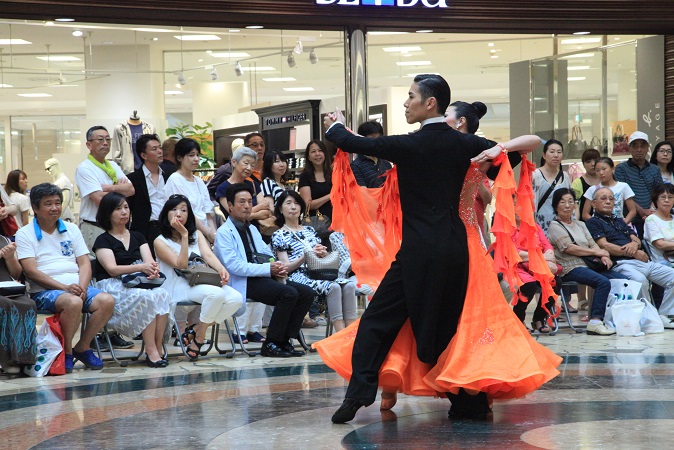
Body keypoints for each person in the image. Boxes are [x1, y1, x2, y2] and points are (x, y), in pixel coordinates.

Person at [321, 74, 556, 423]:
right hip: (457, 250)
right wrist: (500, 148)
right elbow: (533, 142)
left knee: (377, 321)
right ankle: (466, 404)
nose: (405, 103)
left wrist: (336, 124)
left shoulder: (408, 145)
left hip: (417, 251)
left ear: (430, 103)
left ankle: (359, 392)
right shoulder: (467, 145)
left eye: (411, 96)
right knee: (451, 328)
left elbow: (351, 142)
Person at [16, 183, 115, 373]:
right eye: (48, 204)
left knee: (106, 300)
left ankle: (83, 347)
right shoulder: (24, 233)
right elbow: (30, 271)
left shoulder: (71, 229)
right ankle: (66, 352)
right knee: (73, 302)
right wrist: (64, 287)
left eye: (58, 203)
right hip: (44, 292)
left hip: (76, 288)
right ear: (35, 208)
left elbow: (84, 263)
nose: (55, 208)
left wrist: (82, 286)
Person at [213, 183, 314, 358]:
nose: (246, 206)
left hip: (263, 276)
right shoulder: (224, 232)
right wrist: (268, 268)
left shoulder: (252, 228)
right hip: (243, 280)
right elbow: (234, 266)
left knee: (306, 292)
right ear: (229, 206)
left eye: (249, 202)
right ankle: (271, 343)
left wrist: (277, 266)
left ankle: (284, 340)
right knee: (288, 293)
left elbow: (266, 253)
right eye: (241, 202)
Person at [154, 194, 243, 360]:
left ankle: (196, 330)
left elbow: (208, 255)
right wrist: (184, 235)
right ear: (166, 213)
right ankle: (200, 338)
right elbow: (180, 264)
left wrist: (221, 269)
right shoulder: (160, 241)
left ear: (189, 215)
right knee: (216, 294)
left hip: (201, 280)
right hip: (178, 285)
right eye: (173, 209)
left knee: (236, 299)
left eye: (183, 210)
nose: (178, 213)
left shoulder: (197, 235)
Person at [92, 192, 171, 367]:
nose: (124, 212)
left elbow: (149, 261)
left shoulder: (138, 236)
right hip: (112, 285)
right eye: (118, 209)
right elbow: (112, 270)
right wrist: (140, 267)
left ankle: (157, 346)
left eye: (126, 207)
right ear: (107, 213)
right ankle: (151, 349)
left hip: (138, 281)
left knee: (163, 293)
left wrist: (152, 270)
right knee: (147, 297)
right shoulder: (102, 240)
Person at [585, 187, 674, 329]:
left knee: (672, 276)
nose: (608, 201)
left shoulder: (619, 220)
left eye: (611, 198)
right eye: (603, 198)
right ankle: (648, 319)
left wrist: (634, 244)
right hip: (621, 264)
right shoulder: (592, 222)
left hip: (641, 261)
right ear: (594, 204)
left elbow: (636, 239)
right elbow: (605, 245)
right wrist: (633, 252)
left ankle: (664, 315)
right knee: (640, 281)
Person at [271, 190, 357, 332]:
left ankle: (352, 331)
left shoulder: (309, 230)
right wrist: (307, 255)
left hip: (318, 272)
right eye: (289, 203)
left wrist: (323, 253)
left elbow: (320, 257)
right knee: (334, 287)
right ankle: (340, 333)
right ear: (280, 209)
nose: (293, 207)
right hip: (297, 275)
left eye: (297, 203)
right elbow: (285, 268)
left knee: (348, 285)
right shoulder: (279, 234)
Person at [548, 188, 623, 335]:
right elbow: (569, 248)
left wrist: (604, 256)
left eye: (571, 201)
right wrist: (597, 252)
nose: (567, 205)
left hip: (588, 265)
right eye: (563, 202)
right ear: (556, 206)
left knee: (622, 279)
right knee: (602, 282)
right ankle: (595, 321)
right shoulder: (554, 226)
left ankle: (616, 319)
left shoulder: (581, 224)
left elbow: (592, 243)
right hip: (568, 268)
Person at [75, 125, 135, 253]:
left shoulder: (113, 165)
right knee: (97, 267)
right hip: (94, 226)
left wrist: (109, 188)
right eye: (100, 140)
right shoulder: (85, 168)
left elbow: (131, 190)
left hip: (115, 227)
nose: (105, 143)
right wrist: (120, 188)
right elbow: (99, 199)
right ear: (89, 144)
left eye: (108, 139)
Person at [511, 213, 561, 333]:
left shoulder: (534, 226)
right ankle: (519, 319)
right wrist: (540, 257)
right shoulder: (508, 228)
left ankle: (539, 318)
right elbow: (514, 252)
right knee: (529, 285)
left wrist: (548, 255)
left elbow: (547, 245)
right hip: (516, 265)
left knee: (555, 282)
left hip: (537, 264)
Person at [164, 138, 217, 244]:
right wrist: (207, 232)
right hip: (188, 233)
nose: (196, 159)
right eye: (191, 155)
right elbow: (185, 212)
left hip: (206, 233)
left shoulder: (199, 181)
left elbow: (208, 211)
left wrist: (214, 234)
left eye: (197, 155)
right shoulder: (175, 180)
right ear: (179, 157)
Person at [614, 131, 662, 238]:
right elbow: (623, 193)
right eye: (635, 146)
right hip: (629, 219)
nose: (639, 149)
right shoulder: (621, 169)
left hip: (653, 218)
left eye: (643, 146)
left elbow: (659, 192)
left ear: (648, 148)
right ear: (629, 148)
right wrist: (641, 211)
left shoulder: (655, 169)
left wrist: (651, 211)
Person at [127, 133, 169, 255]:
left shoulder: (169, 175)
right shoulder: (133, 179)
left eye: (160, 148)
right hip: (144, 230)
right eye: (154, 149)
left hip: (167, 227)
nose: (160, 151)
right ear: (144, 155)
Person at [0, 236, 36, 375]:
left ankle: (25, 358)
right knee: (5, 304)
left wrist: (9, 258)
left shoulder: (4, 240)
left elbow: (16, 273)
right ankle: (7, 359)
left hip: (6, 288)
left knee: (28, 303)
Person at [215, 147, 271, 223]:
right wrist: (258, 209)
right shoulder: (223, 188)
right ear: (234, 162)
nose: (249, 168)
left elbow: (266, 212)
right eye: (246, 163)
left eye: (252, 165)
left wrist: (248, 215)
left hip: (255, 231)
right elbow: (234, 215)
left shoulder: (253, 185)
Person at [582, 157, 637, 225]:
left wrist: (623, 225)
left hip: (618, 226)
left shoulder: (623, 186)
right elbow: (585, 214)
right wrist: (597, 224)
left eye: (604, 169)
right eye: (597, 170)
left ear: (612, 169)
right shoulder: (592, 189)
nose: (601, 173)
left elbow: (632, 211)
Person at [533, 139, 572, 234]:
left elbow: (571, 200)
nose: (556, 155)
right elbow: (530, 202)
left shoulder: (565, 176)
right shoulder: (535, 175)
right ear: (544, 155)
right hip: (540, 224)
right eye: (552, 152)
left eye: (559, 152)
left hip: (562, 224)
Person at [350, 121, 392, 188]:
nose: (375, 143)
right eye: (371, 139)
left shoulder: (386, 163)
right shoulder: (356, 166)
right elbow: (363, 193)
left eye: (378, 139)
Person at [299, 139, 333, 220]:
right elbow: (307, 205)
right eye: (313, 151)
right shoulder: (305, 176)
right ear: (309, 157)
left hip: (335, 220)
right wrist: (331, 196)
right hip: (316, 223)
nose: (317, 154)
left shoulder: (333, 174)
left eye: (320, 151)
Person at [644, 183, 674, 266]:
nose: (667, 200)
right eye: (663, 197)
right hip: (664, 263)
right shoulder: (651, 219)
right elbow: (660, 244)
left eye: (670, 197)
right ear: (656, 200)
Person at [572, 148, 600, 222]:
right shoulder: (577, 183)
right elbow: (574, 206)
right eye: (588, 161)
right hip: (584, 225)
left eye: (595, 160)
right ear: (583, 164)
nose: (593, 164)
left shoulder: (607, 180)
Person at [45, 158, 76, 222]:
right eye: (46, 170)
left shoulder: (63, 181)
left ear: (55, 165)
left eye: (49, 168)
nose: (48, 171)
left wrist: (58, 216)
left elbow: (65, 200)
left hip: (63, 217)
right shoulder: (59, 181)